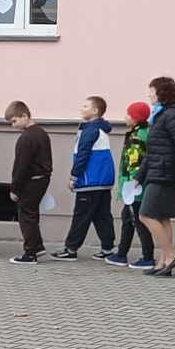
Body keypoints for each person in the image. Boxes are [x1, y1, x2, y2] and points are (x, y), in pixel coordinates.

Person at [138, 77, 175, 275]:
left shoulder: (171, 114)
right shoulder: (161, 114)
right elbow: (152, 149)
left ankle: (170, 255)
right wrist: (139, 176)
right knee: (162, 217)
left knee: (145, 215)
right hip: (159, 169)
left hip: (164, 172)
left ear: (161, 93)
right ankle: (163, 263)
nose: (149, 95)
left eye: (151, 91)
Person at [55, 97, 116, 260]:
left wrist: (74, 176)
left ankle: (71, 249)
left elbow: (83, 154)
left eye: (86, 106)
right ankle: (108, 248)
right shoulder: (102, 129)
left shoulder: (91, 130)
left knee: (81, 215)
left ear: (95, 111)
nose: (82, 108)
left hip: (90, 180)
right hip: (103, 181)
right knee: (102, 216)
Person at [104, 100, 156, 269]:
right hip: (138, 184)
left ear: (136, 118)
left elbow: (134, 163)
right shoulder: (144, 132)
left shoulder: (136, 136)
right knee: (128, 219)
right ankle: (121, 253)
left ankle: (147, 257)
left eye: (128, 114)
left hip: (134, 186)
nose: (125, 117)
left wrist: (130, 184)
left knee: (137, 220)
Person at [6, 102, 52, 266]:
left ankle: (30, 253)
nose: (13, 126)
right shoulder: (42, 133)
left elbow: (21, 165)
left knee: (26, 216)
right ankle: (37, 247)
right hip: (42, 178)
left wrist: (15, 188)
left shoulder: (26, 138)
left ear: (24, 116)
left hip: (30, 180)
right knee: (32, 214)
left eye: (14, 121)